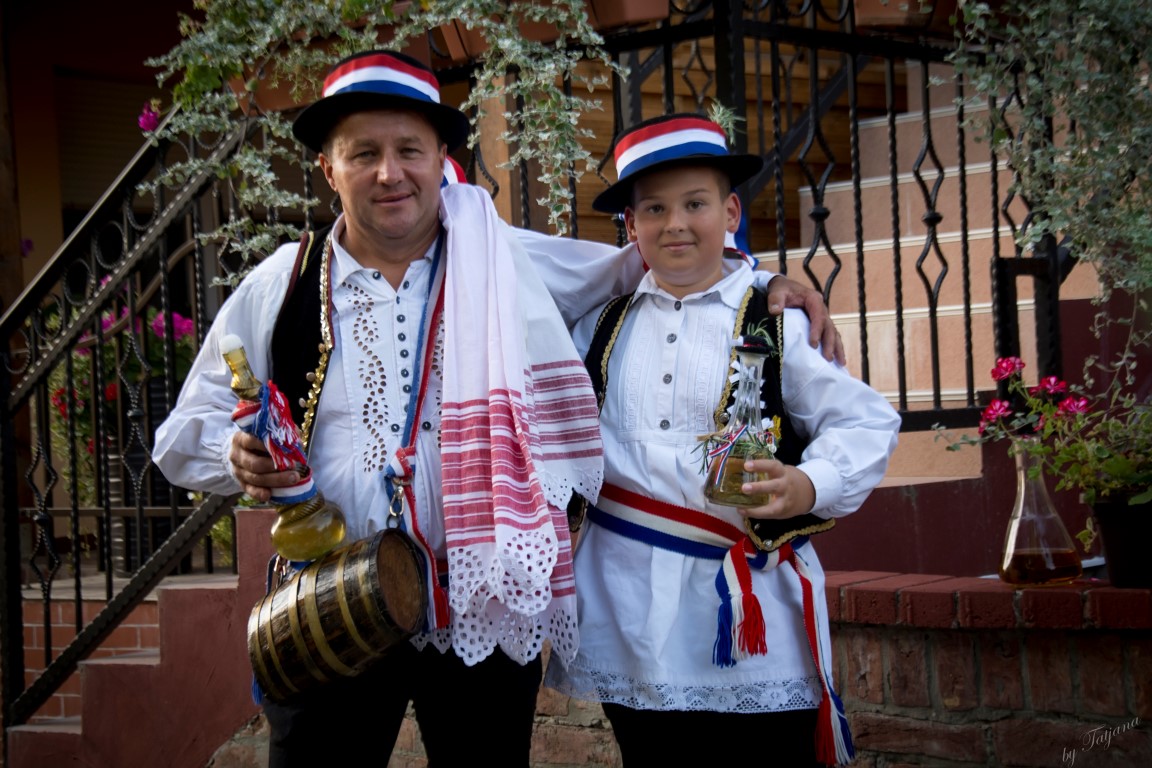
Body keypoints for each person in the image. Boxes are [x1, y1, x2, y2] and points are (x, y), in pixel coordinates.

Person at [153, 51, 839, 767]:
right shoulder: (282, 283)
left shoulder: (503, 258)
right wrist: (235, 457)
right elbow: (181, 439)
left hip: (481, 598)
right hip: (334, 606)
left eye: (409, 150)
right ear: (329, 169)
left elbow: (651, 260)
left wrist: (763, 284)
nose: (390, 173)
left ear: (438, 158)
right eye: (364, 154)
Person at [543, 113, 901, 767]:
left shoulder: (772, 318)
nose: (675, 223)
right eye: (654, 208)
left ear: (731, 211)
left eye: (695, 204)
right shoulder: (600, 325)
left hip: (743, 611)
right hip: (626, 608)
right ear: (631, 226)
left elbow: (865, 421)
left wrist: (808, 484)